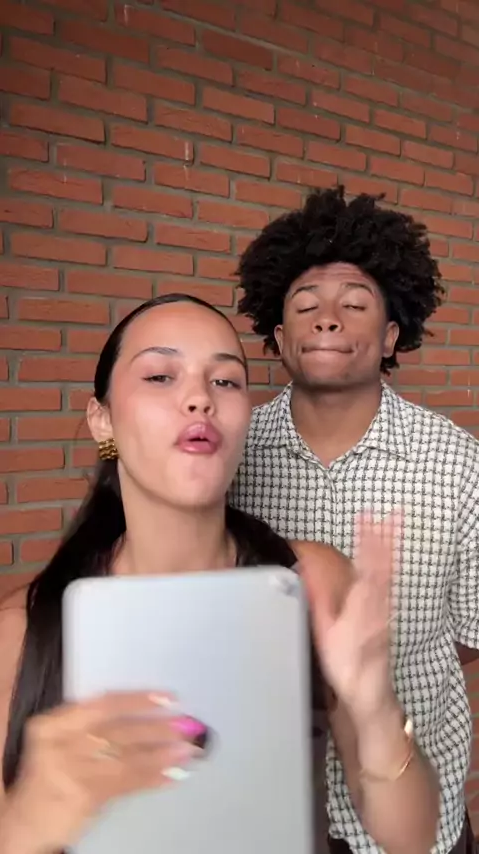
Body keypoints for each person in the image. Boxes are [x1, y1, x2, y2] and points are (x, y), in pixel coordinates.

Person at [0, 294, 437, 854]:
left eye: (226, 381)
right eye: (160, 376)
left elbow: (412, 839)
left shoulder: (313, 583)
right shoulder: (23, 629)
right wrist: (27, 823)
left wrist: (375, 710)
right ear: (102, 419)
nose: (200, 398)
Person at [230, 185, 479, 854]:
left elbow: (471, 635)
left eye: (355, 304)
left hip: (415, 818)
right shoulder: (229, 458)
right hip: (270, 819)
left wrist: (380, 674)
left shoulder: (460, 464)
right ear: (279, 336)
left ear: (392, 333)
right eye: (306, 305)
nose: (328, 320)